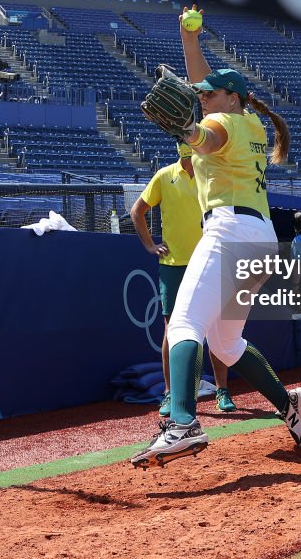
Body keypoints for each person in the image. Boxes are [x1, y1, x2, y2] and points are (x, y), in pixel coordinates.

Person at [131, 7, 301, 468]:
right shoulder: (249, 120)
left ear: (231, 97)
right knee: (226, 344)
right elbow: (204, 85)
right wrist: (189, 38)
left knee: (185, 325)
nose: (202, 98)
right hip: (260, 238)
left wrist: (186, 129)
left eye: (210, 95)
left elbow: (206, 137)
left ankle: (183, 424)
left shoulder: (222, 122)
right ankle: (290, 408)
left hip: (229, 232)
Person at [130, 142, 238, 416]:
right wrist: (149, 246)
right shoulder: (164, 176)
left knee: (216, 326)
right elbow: (137, 211)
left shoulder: (211, 176)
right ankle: (170, 393)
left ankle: (222, 390)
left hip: (210, 261)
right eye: (187, 155)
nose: (192, 161)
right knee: (171, 329)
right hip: (174, 265)